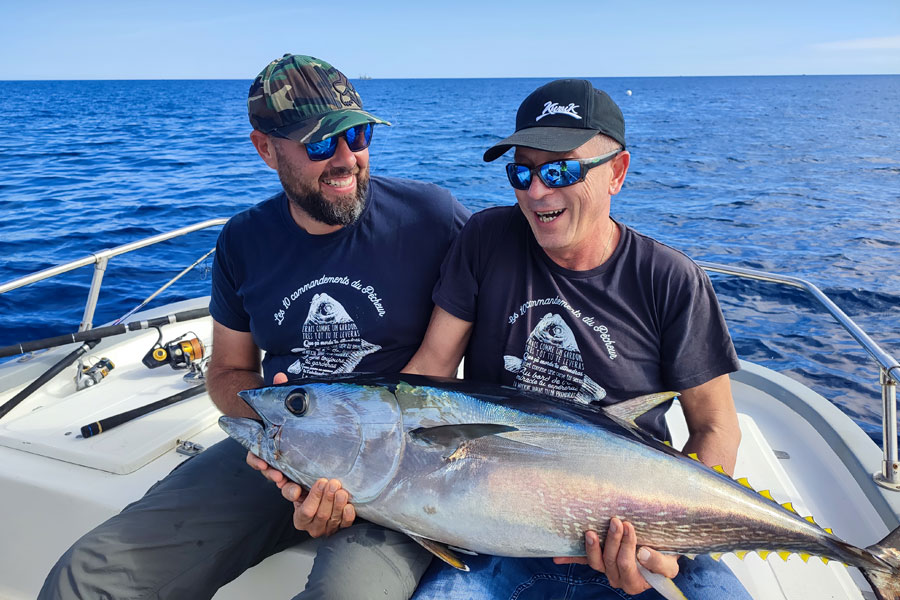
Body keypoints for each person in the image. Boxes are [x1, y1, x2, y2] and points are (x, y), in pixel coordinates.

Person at [39, 53, 469, 600]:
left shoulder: (431, 216)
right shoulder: (244, 241)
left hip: (408, 464)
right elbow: (229, 371)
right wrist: (289, 446)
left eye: (357, 136)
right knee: (85, 578)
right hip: (279, 452)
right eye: (319, 143)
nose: (345, 159)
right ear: (265, 149)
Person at [403, 79, 752, 599]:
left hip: (632, 529)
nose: (536, 190)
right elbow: (429, 369)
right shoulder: (486, 241)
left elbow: (716, 425)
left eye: (561, 169)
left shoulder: (670, 280)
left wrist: (670, 544)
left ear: (617, 172)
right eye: (521, 171)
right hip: (496, 528)